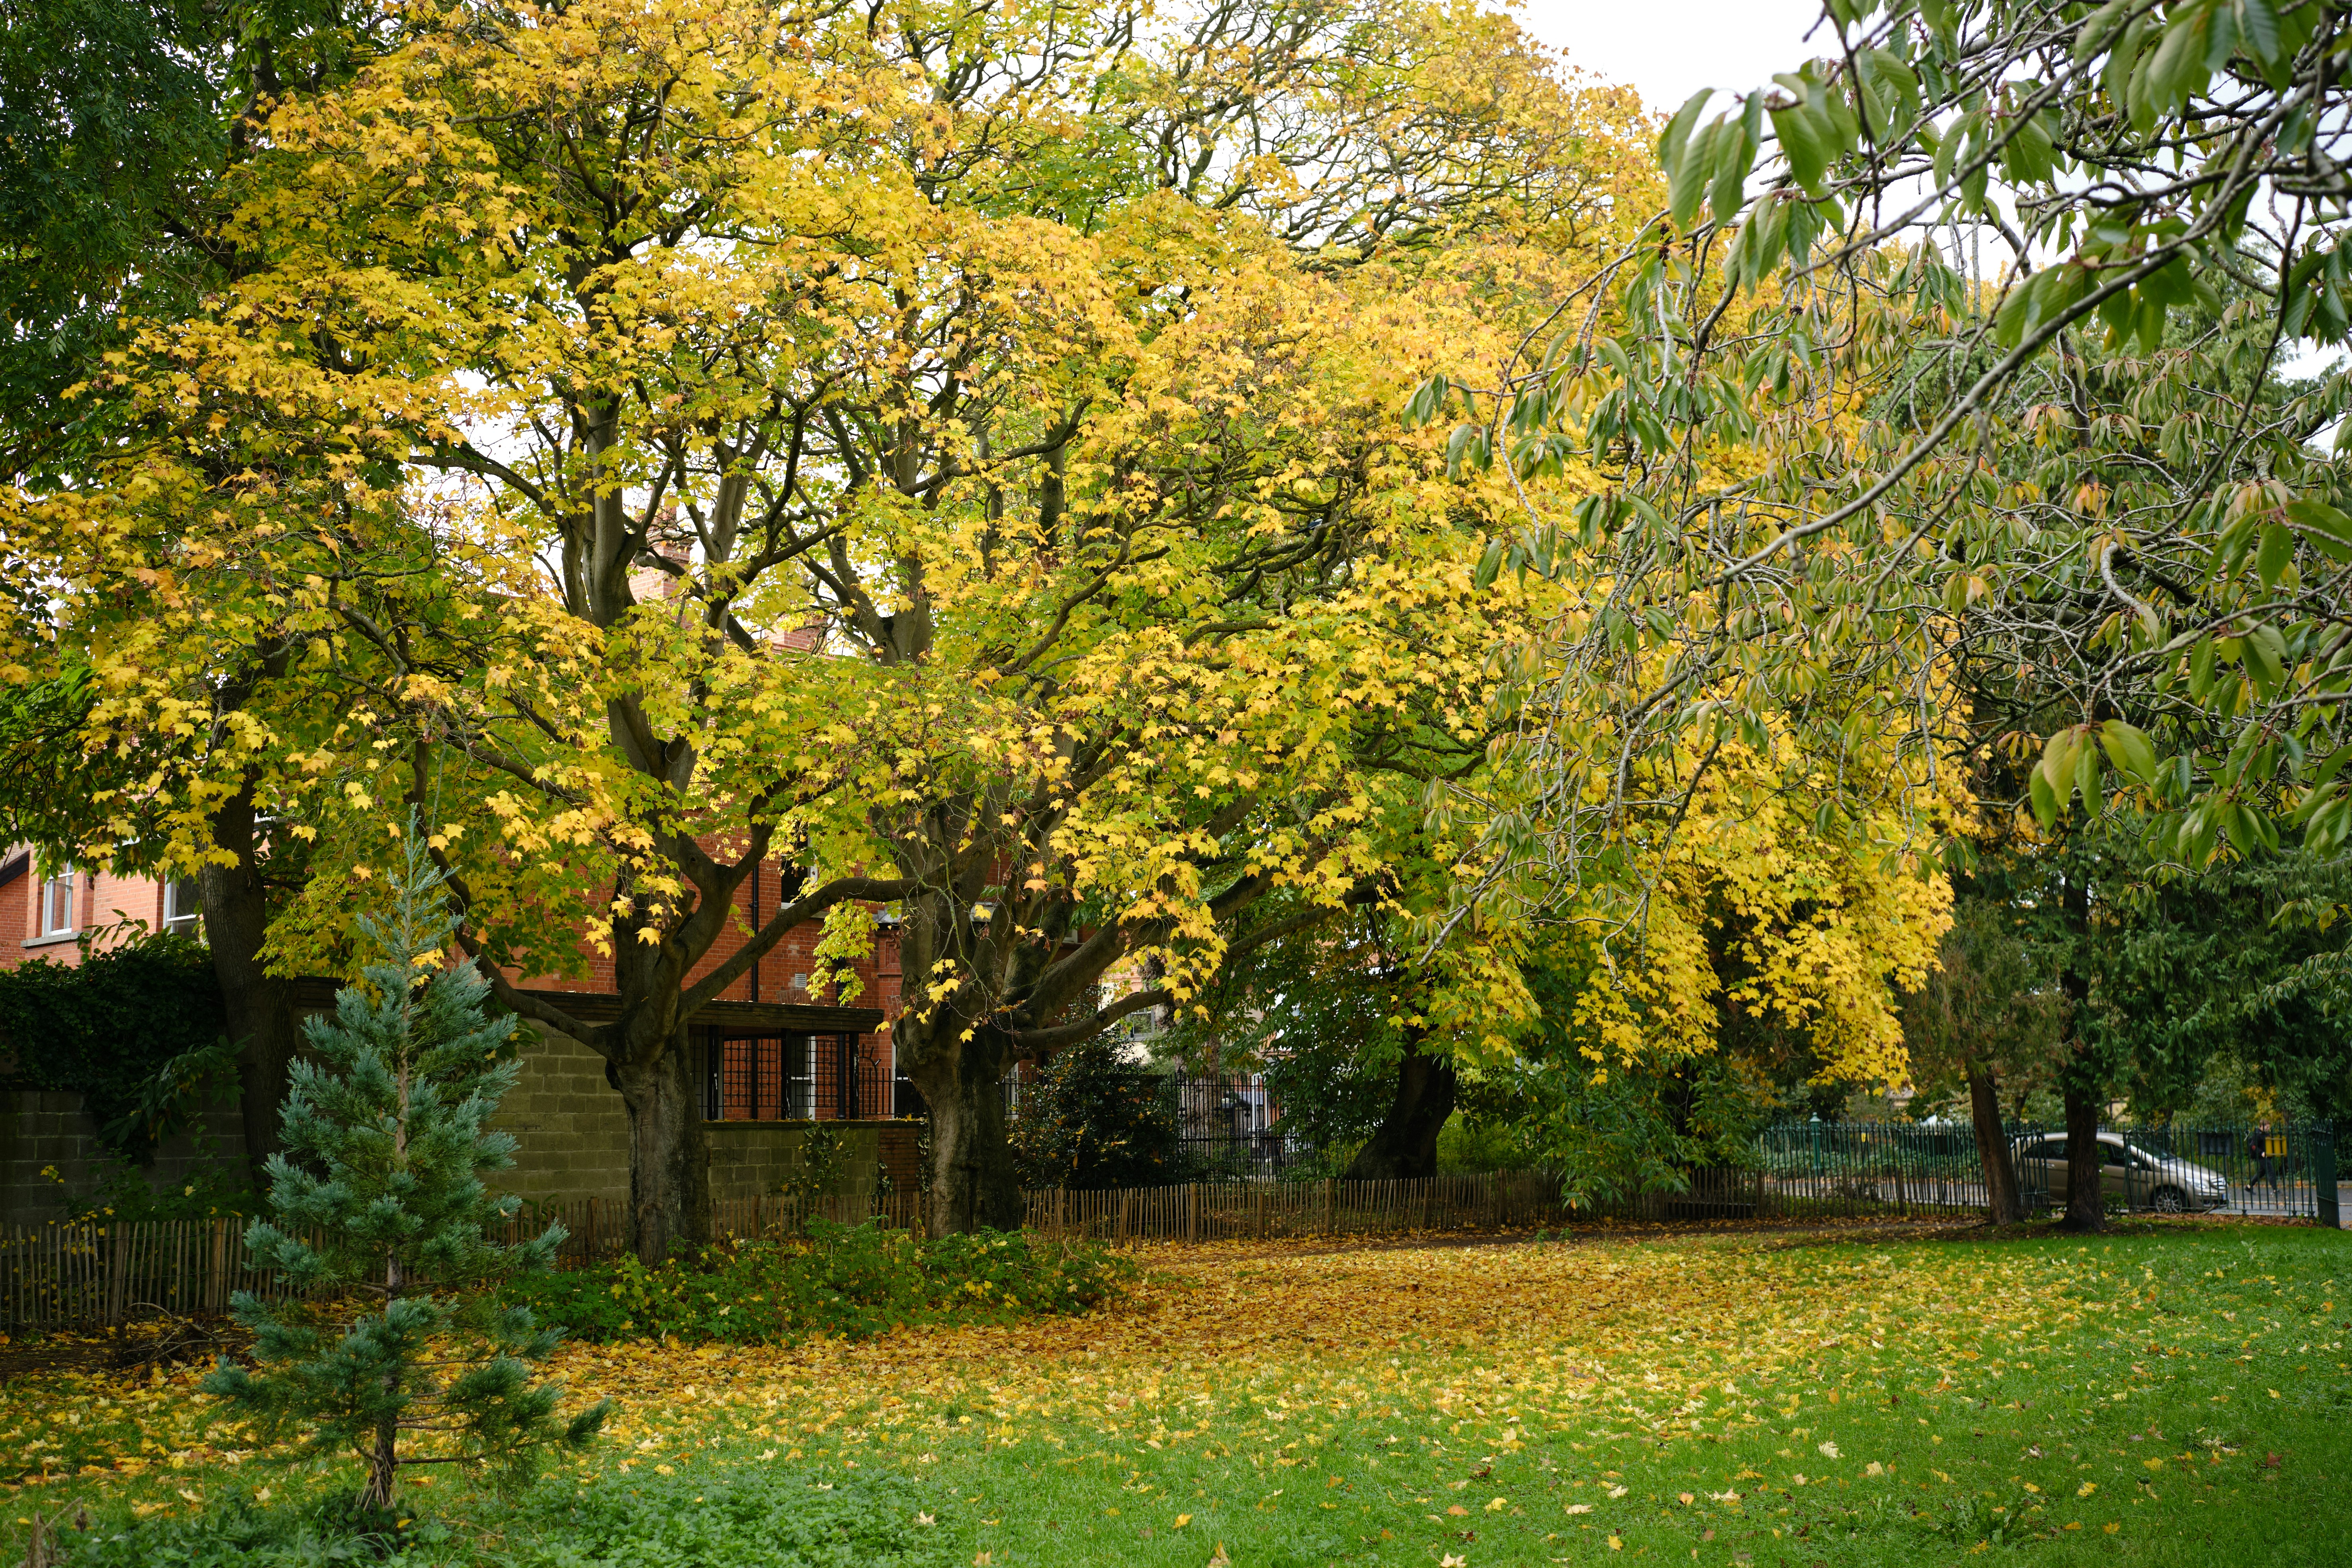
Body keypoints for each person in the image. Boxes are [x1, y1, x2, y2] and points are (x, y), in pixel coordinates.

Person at [2249, 1122, 2278, 1198]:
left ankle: (2249, 1187)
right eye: (2267, 1127)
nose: (2269, 1129)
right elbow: (2253, 1146)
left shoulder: (2266, 1134)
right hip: (2261, 1156)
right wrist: (2261, 1153)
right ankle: (2275, 1189)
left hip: (2267, 1156)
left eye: (2269, 1127)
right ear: (2262, 1126)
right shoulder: (2257, 1134)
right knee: (2270, 1170)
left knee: (2261, 1173)